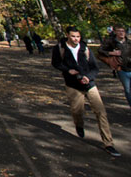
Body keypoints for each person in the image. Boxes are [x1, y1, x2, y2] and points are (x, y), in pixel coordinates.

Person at [51, 26, 120, 157]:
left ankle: (109, 143)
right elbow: (55, 63)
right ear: (67, 36)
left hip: (89, 84)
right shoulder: (60, 48)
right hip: (73, 85)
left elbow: (95, 67)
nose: (76, 39)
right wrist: (67, 70)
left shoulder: (85, 48)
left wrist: (89, 77)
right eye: (73, 36)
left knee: (101, 112)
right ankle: (79, 124)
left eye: (78, 36)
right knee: (77, 110)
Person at [99, 24, 131, 109]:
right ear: (115, 32)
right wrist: (111, 53)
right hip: (122, 69)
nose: (121, 33)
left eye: (123, 31)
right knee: (128, 90)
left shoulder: (129, 42)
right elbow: (100, 51)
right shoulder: (111, 42)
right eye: (119, 31)